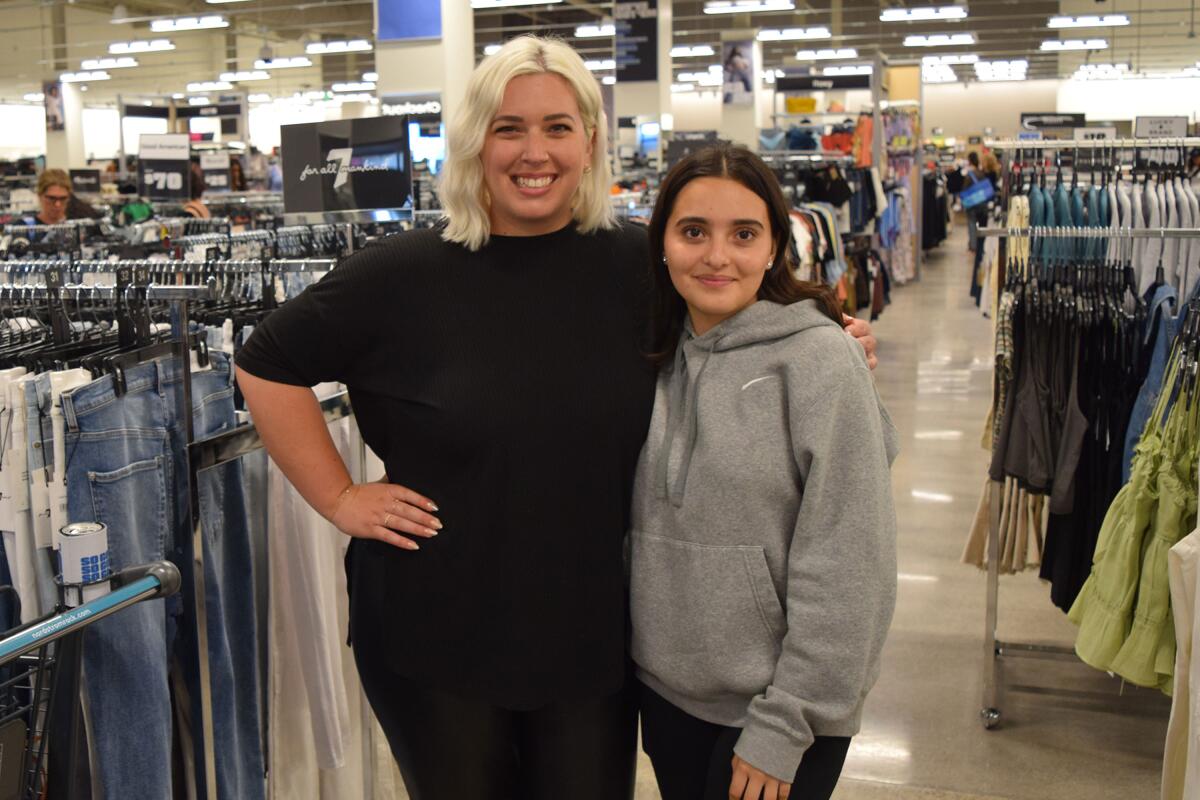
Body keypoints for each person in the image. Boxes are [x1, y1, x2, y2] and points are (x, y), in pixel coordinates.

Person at [233, 35, 878, 800]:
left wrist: (828, 341)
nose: (532, 151)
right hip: (435, 634)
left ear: (590, 143)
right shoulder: (399, 275)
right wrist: (340, 497)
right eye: (508, 128)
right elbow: (264, 363)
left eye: (557, 127)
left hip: (594, 640)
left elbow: (735, 317)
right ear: (475, 142)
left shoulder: (640, 269)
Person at [630, 143, 898, 800]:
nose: (717, 256)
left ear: (776, 244)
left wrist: (786, 723)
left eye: (743, 234)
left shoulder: (820, 362)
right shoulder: (654, 355)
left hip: (780, 713)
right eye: (694, 232)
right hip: (668, 697)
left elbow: (850, 563)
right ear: (662, 241)